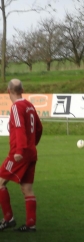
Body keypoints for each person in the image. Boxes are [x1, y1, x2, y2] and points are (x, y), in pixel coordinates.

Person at [0, 79, 43, 232]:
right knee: (27, 188)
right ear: (22, 89)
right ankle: (31, 224)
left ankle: (8, 219)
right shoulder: (30, 106)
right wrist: (32, 145)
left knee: (0, 182)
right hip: (31, 153)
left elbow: (19, 127)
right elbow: (39, 128)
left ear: (8, 91)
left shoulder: (17, 107)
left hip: (19, 154)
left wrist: (19, 151)